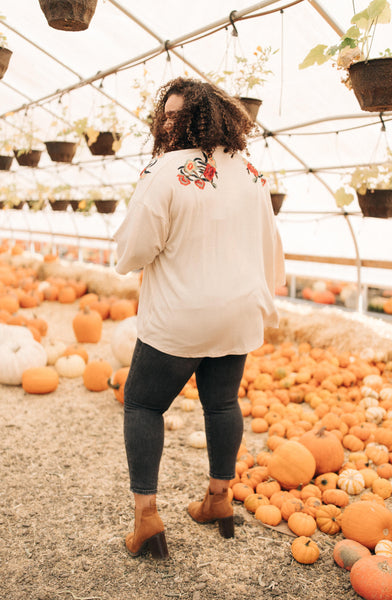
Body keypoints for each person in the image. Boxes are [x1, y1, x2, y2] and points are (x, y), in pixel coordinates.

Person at [113, 77, 285, 559]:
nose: (167, 122)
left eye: (173, 114)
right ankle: (219, 499)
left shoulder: (164, 170)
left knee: (144, 405)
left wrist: (133, 255)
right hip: (238, 312)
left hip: (182, 315)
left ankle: (147, 520)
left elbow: (134, 251)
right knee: (222, 404)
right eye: (164, 113)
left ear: (193, 119)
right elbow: (270, 245)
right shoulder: (251, 172)